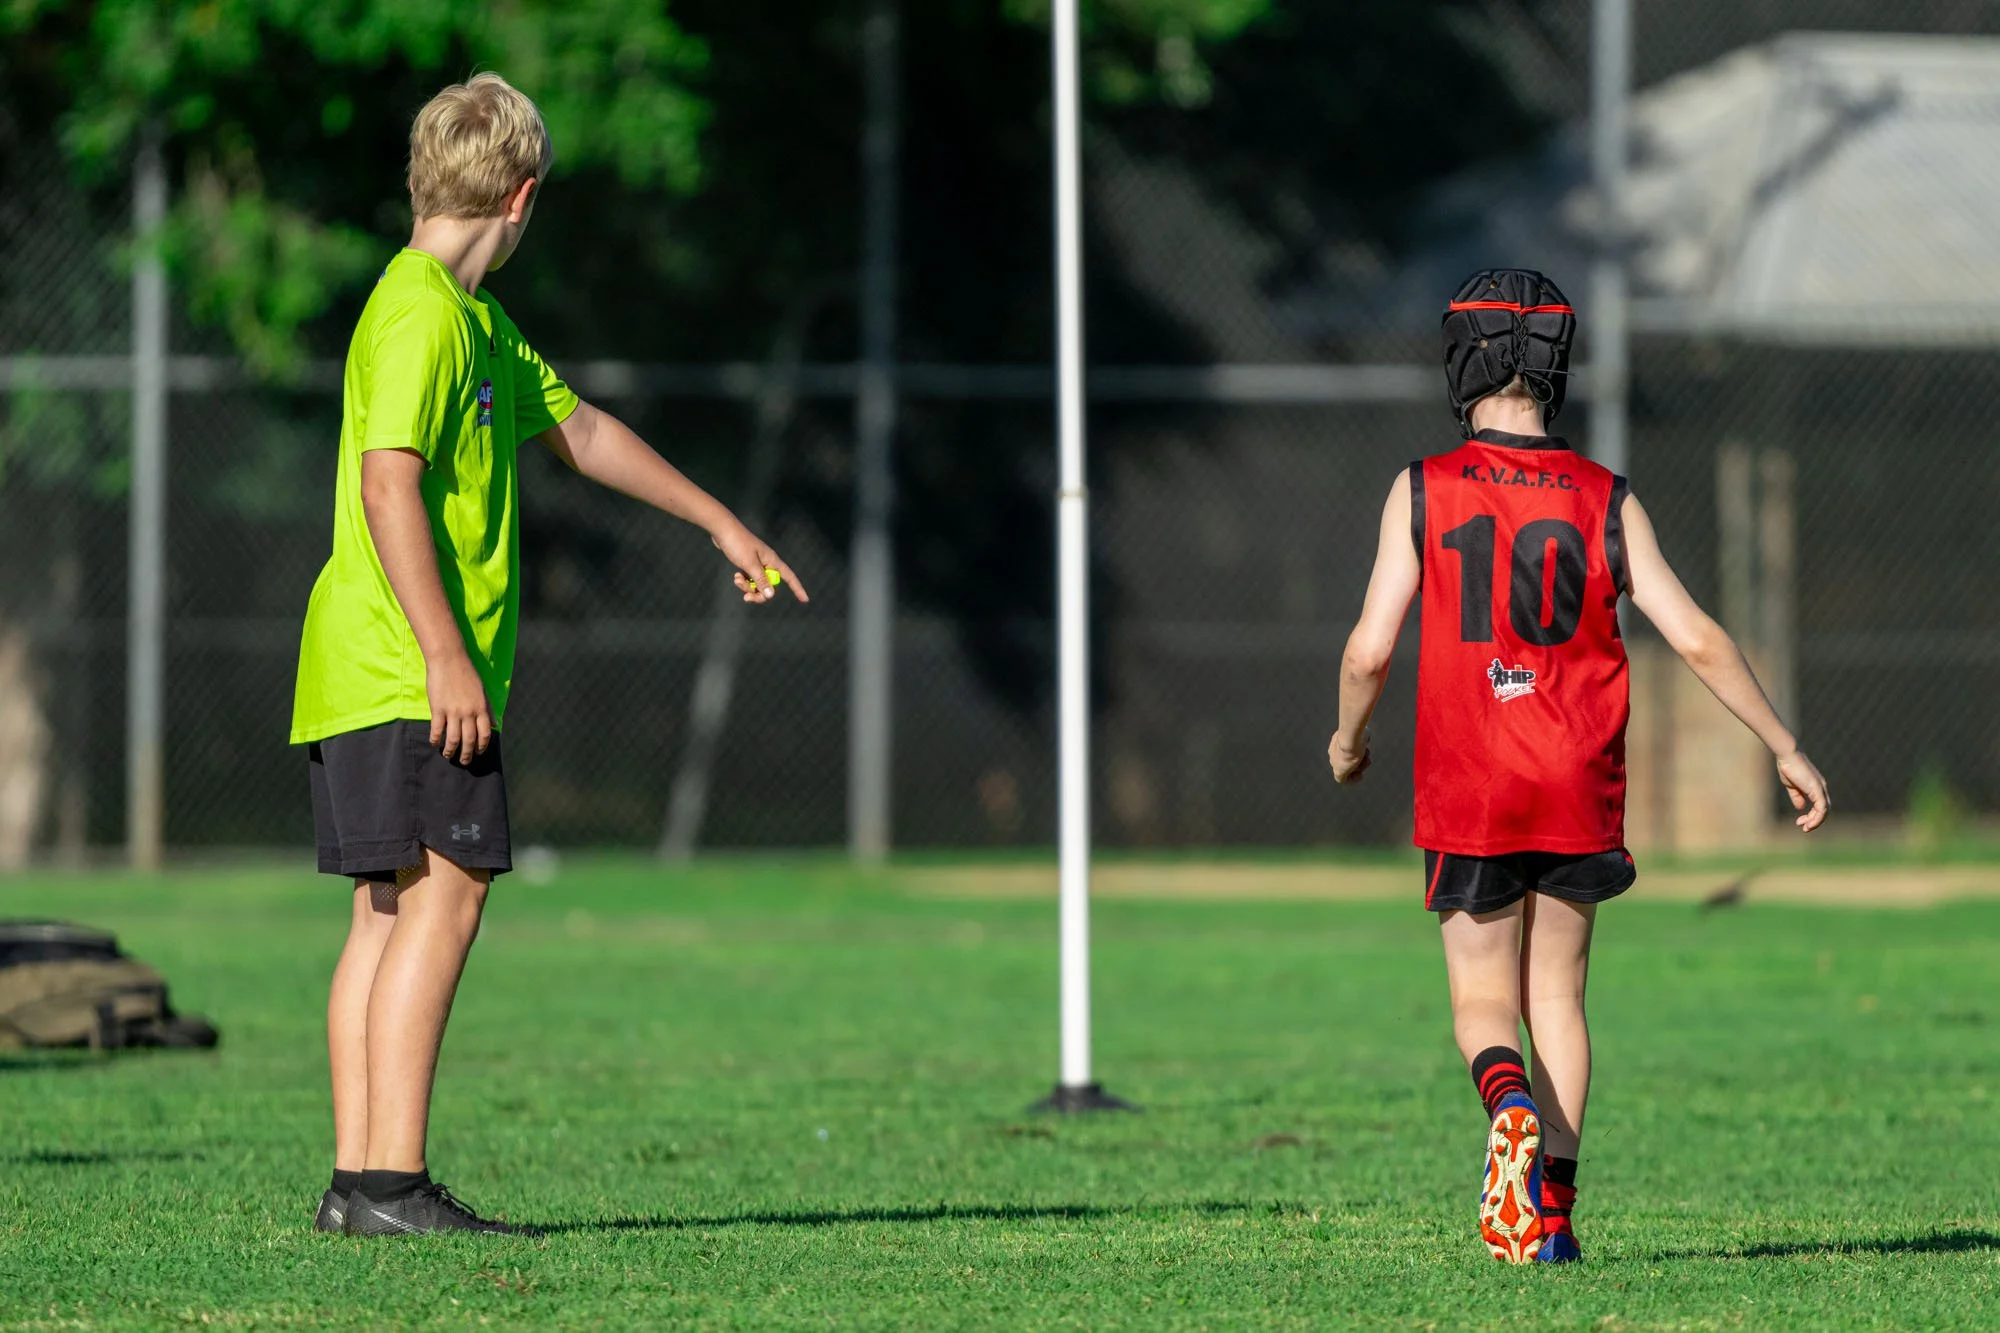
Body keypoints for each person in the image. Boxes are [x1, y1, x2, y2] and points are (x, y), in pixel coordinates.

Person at [290, 73, 807, 1237]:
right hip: (402, 665)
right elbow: (387, 486)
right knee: (445, 898)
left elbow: (581, 429)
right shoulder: (422, 314)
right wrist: (446, 655)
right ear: (523, 197)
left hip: (364, 666)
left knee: (389, 911)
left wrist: (718, 521)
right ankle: (390, 1185)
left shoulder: (469, 319)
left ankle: (358, 1186)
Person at [1326, 268, 1829, 1264]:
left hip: (1471, 783)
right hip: (1574, 779)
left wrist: (1347, 741)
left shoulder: (1421, 487)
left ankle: (1505, 1104)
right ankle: (1551, 1221)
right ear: (1557, 367)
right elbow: (1695, 636)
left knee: (1482, 1002)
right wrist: (1783, 744)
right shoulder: (1605, 496)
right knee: (1556, 996)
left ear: (1461, 359)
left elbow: (1368, 651)